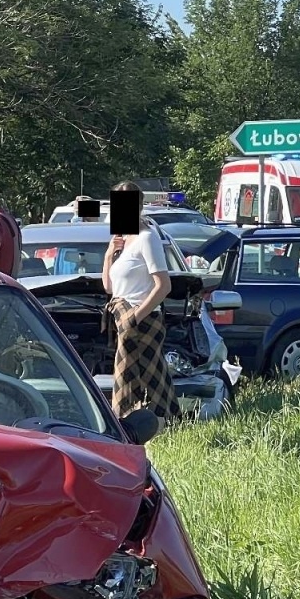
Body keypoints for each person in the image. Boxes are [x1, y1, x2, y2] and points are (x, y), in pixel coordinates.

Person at [101, 181, 177, 422]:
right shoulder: (123, 240)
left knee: (134, 379)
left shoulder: (147, 237)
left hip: (142, 321)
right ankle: (142, 426)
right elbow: (109, 287)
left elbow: (163, 286)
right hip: (121, 318)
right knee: (133, 378)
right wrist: (109, 253)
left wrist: (134, 318)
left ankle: (133, 425)